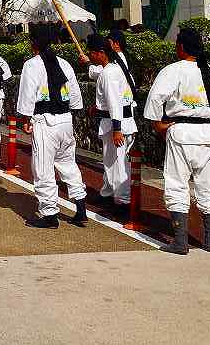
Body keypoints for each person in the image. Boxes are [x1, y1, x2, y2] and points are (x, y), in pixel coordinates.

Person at [144, 27, 210, 254]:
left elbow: (155, 100)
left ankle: (180, 241)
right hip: (209, 135)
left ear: (180, 47)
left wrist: (158, 125)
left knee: (177, 184)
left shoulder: (173, 70)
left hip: (181, 133)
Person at [17, 23, 88, 229]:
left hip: (45, 121)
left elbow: (27, 94)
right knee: (68, 164)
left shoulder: (32, 65)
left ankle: (49, 214)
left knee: (43, 168)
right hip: (65, 120)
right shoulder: (65, 63)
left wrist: (25, 118)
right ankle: (81, 207)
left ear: (33, 43)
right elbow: (75, 98)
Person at [85, 33, 137, 212]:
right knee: (110, 162)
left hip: (117, 123)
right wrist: (97, 108)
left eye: (92, 53)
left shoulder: (109, 72)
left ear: (101, 52)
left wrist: (117, 129)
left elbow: (115, 103)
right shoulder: (112, 69)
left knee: (119, 164)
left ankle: (123, 201)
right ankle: (109, 194)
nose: (90, 56)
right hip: (115, 121)